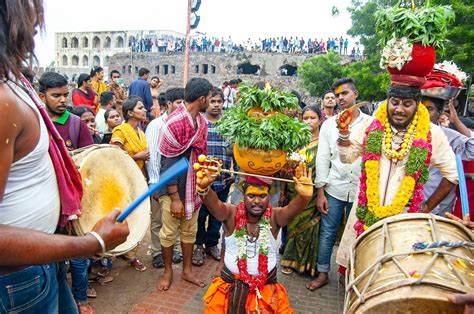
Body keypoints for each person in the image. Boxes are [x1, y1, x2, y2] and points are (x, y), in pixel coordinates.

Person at [0, 2, 129, 313]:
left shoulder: (16, 84)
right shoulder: (4, 101)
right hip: (19, 276)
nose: (35, 22)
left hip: (43, 259)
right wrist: (92, 243)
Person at [335, 84, 458, 271]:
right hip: (364, 212)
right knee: (357, 271)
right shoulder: (372, 126)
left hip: (403, 219)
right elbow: (347, 157)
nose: (399, 109)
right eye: (395, 103)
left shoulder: (431, 133)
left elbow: (452, 174)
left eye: (407, 104)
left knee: (391, 274)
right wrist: (344, 133)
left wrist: (426, 208)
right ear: (388, 102)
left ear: (417, 105)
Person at [199, 163, 313, 312]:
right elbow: (215, 206)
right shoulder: (230, 214)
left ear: (269, 197)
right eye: (251, 196)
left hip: (265, 291)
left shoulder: (275, 217)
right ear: (243, 196)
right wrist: (204, 190)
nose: (257, 201)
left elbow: (291, 211)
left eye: (262, 196)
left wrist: (303, 198)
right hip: (229, 289)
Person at [312, 78, 373, 289]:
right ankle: (322, 272)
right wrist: (320, 192)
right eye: (337, 95)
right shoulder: (329, 125)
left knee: (359, 233)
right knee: (327, 232)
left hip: (361, 190)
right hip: (334, 188)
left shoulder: (370, 124)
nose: (340, 98)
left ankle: (350, 275)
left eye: (344, 93)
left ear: (355, 94)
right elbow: (322, 158)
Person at [156, 77, 213, 291]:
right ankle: (168, 271)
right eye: (208, 97)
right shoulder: (174, 123)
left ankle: (187, 271)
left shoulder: (202, 121)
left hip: (193, 187)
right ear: (201, 98)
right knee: (169, 232)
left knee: (190, 230)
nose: (210, 100)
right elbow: (166, 164)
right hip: (174, 189)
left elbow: (201, 152)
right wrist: (175, 199)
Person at [192, 87, 234, 267]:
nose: (216, 105)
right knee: (200, 216)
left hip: (223, 180)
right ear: (206, 102)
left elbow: (235, 151)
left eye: (219, 102)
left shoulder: (228, 125)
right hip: (202, 180)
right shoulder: (199, 123)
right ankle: (199, 246)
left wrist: (235, 173)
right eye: (213, 101)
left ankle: (211, 244)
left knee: (218, 215)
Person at [280, 106, 321, 283]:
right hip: (292, 189)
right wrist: (282, 190)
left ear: (320, 120)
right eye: (305, 118)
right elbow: (285, 166)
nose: (309, 121)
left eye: (313, 118)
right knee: (292, 223)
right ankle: (289, 259)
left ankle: (305, 263)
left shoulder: (325, 142)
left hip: (313, 191)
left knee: (309, 226)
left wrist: (320, 193)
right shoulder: (296, 140)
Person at [146, 87, 185, 268]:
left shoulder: (184, 123)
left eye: (185, 103)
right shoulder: (156, 125)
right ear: (168, 104)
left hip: (176, 181)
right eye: (178, 103)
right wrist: (155, 183)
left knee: (174, 217)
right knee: (157, 220)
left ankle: (173, 249)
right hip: (159, 181)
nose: (182, 106)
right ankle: (156, 252)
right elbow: (153, 156)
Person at [39, 72, 94, 150]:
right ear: (42, 97)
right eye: (56, 96)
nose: (63, 100)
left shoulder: (77, 124)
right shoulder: (35, 122)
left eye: (65, 95)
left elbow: (88, 158)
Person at [111, 96, 149, 175]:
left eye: (144, 108)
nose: (144, 110)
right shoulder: (120, 131)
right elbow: (114, 157)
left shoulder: (141, 132)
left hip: (140, 177)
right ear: (130, 113)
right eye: (140, 108)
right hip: (126, 177)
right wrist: (136, 157)